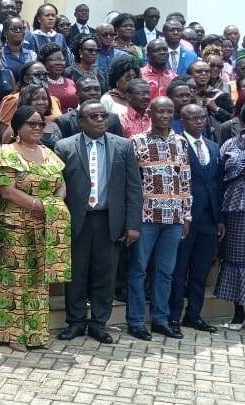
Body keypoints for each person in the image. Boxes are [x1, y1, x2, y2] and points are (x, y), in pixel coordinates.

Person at [54, 99, 142, 344]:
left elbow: (133, 187)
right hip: (77, 219)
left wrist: (133, 224)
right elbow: (58, 186)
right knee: (76, 274)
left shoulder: (123, 146)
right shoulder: (64, 146)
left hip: (109, 220)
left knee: (106, 274)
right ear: (82, 121)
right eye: (94, 117)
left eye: (104, 116)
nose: (101, 120)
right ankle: (75, 322)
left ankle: (98, 323)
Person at [0, 105, 71, 352]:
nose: (37, 128)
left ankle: (35, 334)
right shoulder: (7, 153)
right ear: (17, 127)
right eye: (31, 124)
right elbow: (7, 190)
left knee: (39, 278)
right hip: (16, 223)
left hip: (46, 223)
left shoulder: (48, 153)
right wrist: (39, 205)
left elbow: (61, 185)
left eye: (40, 124)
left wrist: (52, 204)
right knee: (16, 276)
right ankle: (11, 333)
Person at [126, 96, 191, 342]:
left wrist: (187, 215)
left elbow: (185, 180)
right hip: (146, 216)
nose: (164, 116)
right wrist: (131, 220)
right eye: (160, 111)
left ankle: (161, 320)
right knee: (139, 270)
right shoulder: (137, 141)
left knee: (166, 272)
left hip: (174, 217)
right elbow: (132, 184)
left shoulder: (181, 143)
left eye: (169, 112)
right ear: (150, 113)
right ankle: (135, 321)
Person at [169, 103, 222, 334]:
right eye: (193, 118)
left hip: (210, 218)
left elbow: (217, 184)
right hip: (185, 216)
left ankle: (194, 315)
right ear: (182, 121)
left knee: (200, 270)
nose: (199, 121)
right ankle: (173, 316)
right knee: (180, 269)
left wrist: (220, 218)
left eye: (202, 117)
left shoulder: (213, 146)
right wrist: (182, 215)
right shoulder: (177, 145)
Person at [216, 108, 245, 331]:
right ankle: (238, 315)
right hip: (235, 208)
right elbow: (220, 178)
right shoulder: (230, 145)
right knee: (236, 260)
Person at [0, 61, 62, 141]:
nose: (42, 77)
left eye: (45, 75)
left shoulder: (53, 99)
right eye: (37, 75)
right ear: (26, 79)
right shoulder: (14, 99)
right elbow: (4, 134)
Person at [56, 77, 124, 138]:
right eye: (87, 89)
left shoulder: (113, 118)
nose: (93, 93)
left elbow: (118, 145)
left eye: (97, 89)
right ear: (77, 94)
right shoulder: (64, 120)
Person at [189, 60, 234, 131]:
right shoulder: (187, 97)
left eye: (207, 71)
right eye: (199, 71)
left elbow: (233, 120)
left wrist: (216, 108)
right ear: (190, 74)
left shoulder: (220, 96)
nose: (203, 74)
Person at [17, 83, 62, 149]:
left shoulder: (54, 125)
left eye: (44, 99)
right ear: (26, 101)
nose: (41, 102)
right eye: (35, 99)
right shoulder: (18, 125)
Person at [39, 43, 76, 112]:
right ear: (44, 62)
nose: (59, 63)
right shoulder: (40, 84)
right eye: (53, 60)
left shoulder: (71, 82)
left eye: (61, 59)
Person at [1, 16, 36, 81]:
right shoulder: (0, 54)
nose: (18, 31)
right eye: (14, 28)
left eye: (21, 28)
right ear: (5, 32)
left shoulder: (32, 54)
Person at [95, 23, 128, 89]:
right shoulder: (93, 56)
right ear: (97, 36)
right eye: (105, 34)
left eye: (112, 34)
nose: (109, 37)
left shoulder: (123, 56)